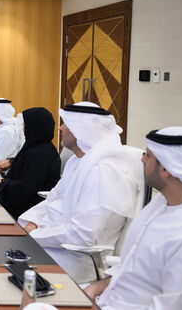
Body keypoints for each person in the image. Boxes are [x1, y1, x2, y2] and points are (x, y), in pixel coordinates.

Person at [17, 102, 141, 283]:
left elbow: (81, 236)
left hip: (72, 259)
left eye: (65, 123)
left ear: (81, 130)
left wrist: (34, 235)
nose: (60, 128)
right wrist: (32, 222)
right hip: (49, 242)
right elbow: (53, 197)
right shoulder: (78, 162)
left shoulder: (104, 173)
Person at [84, 127, 182, 309]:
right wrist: (94, 288)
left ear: (166, 169)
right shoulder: (160, 206)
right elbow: (129, 270)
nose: (142, 159)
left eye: (148, 155)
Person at [0, 107, 60, 219]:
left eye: (25, 125)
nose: (23, 128)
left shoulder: (40, 154)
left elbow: (24, 190)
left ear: (34, 126)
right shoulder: (36, 146)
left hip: (26, 212)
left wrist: (2, 182)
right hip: (20, 206)